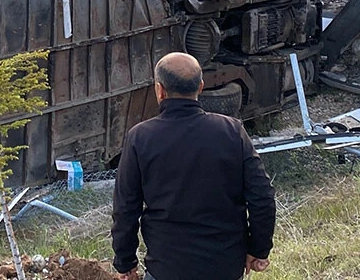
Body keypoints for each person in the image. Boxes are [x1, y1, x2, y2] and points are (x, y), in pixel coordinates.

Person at [111, 52, 276, 280]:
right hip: (225, 266)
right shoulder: (231, 131)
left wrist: (125, 262)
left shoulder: (140, 138)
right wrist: (258, 249)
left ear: (159, 90)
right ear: (200, 86)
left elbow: (125, 208)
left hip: (166, 268)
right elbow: (262, 196)